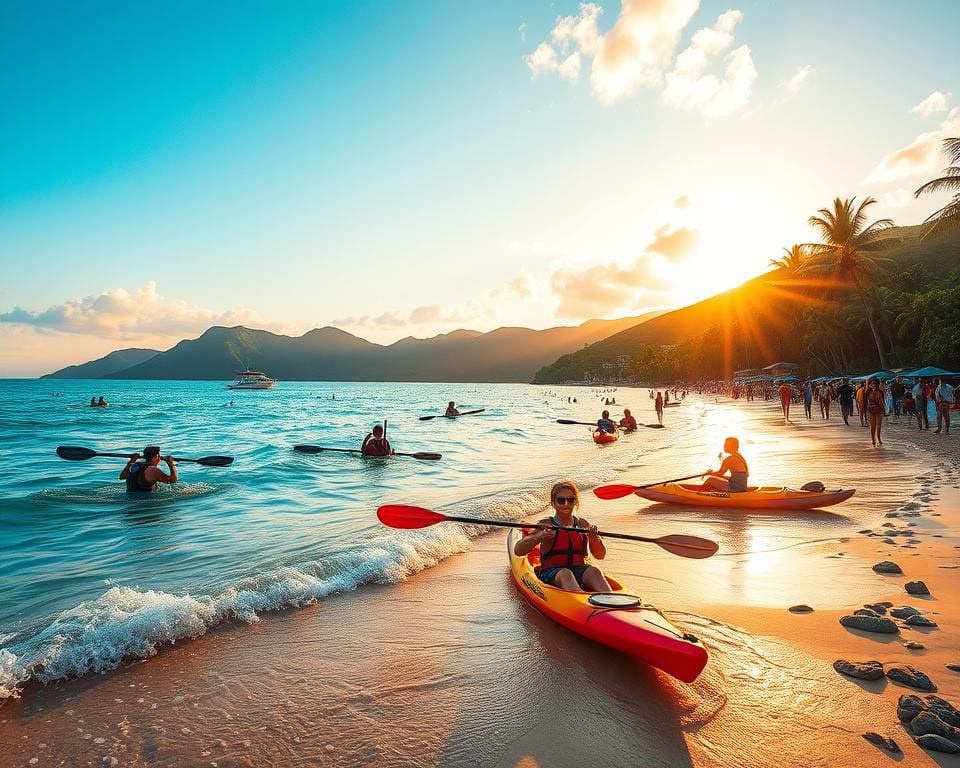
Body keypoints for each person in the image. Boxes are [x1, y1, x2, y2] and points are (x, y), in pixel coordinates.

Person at [513, 481, 612, 593]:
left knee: (594, 571)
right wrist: (539, 536)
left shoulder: (582, 524)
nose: (566, 504)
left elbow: (600, 555)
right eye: (561, 500)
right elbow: (518, 550)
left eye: (570, 500)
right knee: (566, 574)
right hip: (551, 572)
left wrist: (594, 539)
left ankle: (611, 599)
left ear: (575, 502)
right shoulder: (546, 524)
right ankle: (581, 599)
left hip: (578, 570)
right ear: (554, 503)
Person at [864, 378, 885, 447]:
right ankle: (873, 439)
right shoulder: (868, 391)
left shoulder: (880, 392)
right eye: (872, 383)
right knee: (872, 426)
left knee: (878, 425)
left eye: (875, 383)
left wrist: (884, 410)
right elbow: (865, 402)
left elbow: (882, 401)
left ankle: (878, 438)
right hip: (870, 410)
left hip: (879, 409)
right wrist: (865, 410)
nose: (873, 385)